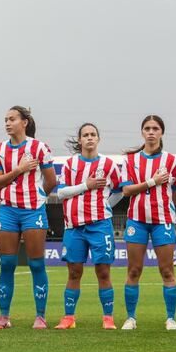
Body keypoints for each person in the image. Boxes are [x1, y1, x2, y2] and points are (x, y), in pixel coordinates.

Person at [0, 106, 57, 329]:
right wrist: (19, 170)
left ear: (24, 122)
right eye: (5, 119)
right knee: (7, 263)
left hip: (32, 211)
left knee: (36, 264)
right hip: (8, 210)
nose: (7, 123)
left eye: (12, 119)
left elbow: (51, 181)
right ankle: (4, 316)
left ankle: (40, 316)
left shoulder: (39, 147)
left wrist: (38, 197)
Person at [54, 123, 122, 330]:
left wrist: (104, 206)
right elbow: (61, 193)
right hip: (74, 226)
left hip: (100, 225)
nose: (90, 138)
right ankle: (69, 318)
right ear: (80, 140)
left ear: (98, 139)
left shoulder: (109, 165)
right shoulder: (70, 164)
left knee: (103, 271)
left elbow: (119, 191)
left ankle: (108, 318)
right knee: (74, 272)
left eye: (93, 134)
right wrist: (87, 185)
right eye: (85, 135)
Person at [120, 115, 176, 330]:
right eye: (147, 128)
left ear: (161, 132)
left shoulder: (172, 161)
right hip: (136, 221)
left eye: (155, 128)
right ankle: (131, 318)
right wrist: (152, 182)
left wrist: (165, 205)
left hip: (163, 221)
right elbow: (127, 191)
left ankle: (171, 318)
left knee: (167, 271)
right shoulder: (130, 160)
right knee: (134, 270)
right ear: (142, 132)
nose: (151, 132)